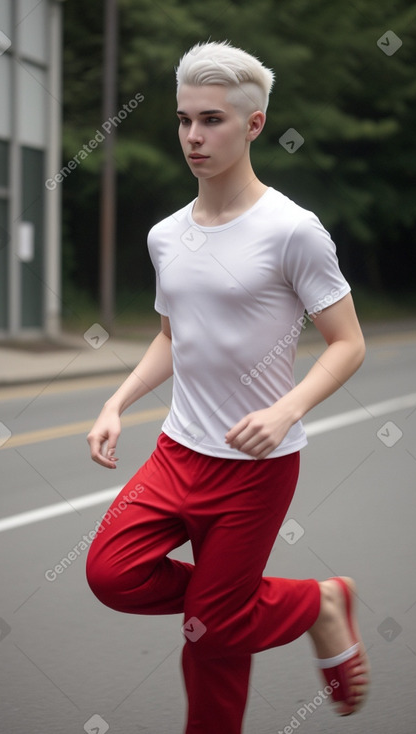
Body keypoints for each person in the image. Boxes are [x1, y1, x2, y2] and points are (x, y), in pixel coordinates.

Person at [86, 40, 370, 734]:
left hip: (255, 468)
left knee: (211, 636)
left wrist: (286, 409)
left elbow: (348, 342)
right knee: (110, 573)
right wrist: (115, 403)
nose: (192, 136)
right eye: (184, 120)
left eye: (211, 120)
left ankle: (261, 610)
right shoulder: (165, 236)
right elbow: (169, 338)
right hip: (177, 454)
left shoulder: (292, 232)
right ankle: (315, 602)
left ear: (253, 124)